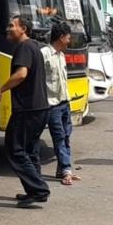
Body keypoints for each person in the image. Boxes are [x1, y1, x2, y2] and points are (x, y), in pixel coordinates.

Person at [0, 15, 50, 207]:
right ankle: (34, 190)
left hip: (27, 109)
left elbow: (21, 74)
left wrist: (0, 89)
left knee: (15, 149)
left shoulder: (24, 47)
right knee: (30, 151)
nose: (8, 29)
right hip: (39, 108)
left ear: (23, 29)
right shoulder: (34, 46)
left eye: (12, 26)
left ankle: (38, 188)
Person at [40, 22, 80, 186]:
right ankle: (66, 170)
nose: (69, 41)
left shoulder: (61, 55)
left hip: (65, 102)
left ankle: (62, 169)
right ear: (61, 37)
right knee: (59, 137)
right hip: (52, 105)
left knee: (66, 137)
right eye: (68, 37)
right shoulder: (44, 54)